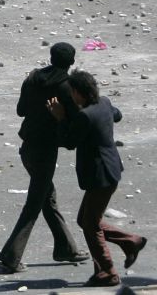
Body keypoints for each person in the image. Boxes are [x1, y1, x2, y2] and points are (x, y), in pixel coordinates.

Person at [47, 71, 148, 288]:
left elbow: (69, 141)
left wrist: (61, 117)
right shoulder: (103, 103)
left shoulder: (85, 116)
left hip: (99, 175)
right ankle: (131, 242)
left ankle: (108, 272)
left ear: (77, 92)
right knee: (86, 220)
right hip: (110, 170)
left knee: (90, 224)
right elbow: (117, 115)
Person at [0, 42, 89, 274]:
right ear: (71, 62)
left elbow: (20, 110)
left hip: (27, 146)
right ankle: (10, 257)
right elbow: (76, 121)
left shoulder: (33, 78)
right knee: (34, 204)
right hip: (46, 149)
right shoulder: (67, 87)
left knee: (47, 197)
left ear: (50, 57)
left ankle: (66, 248)